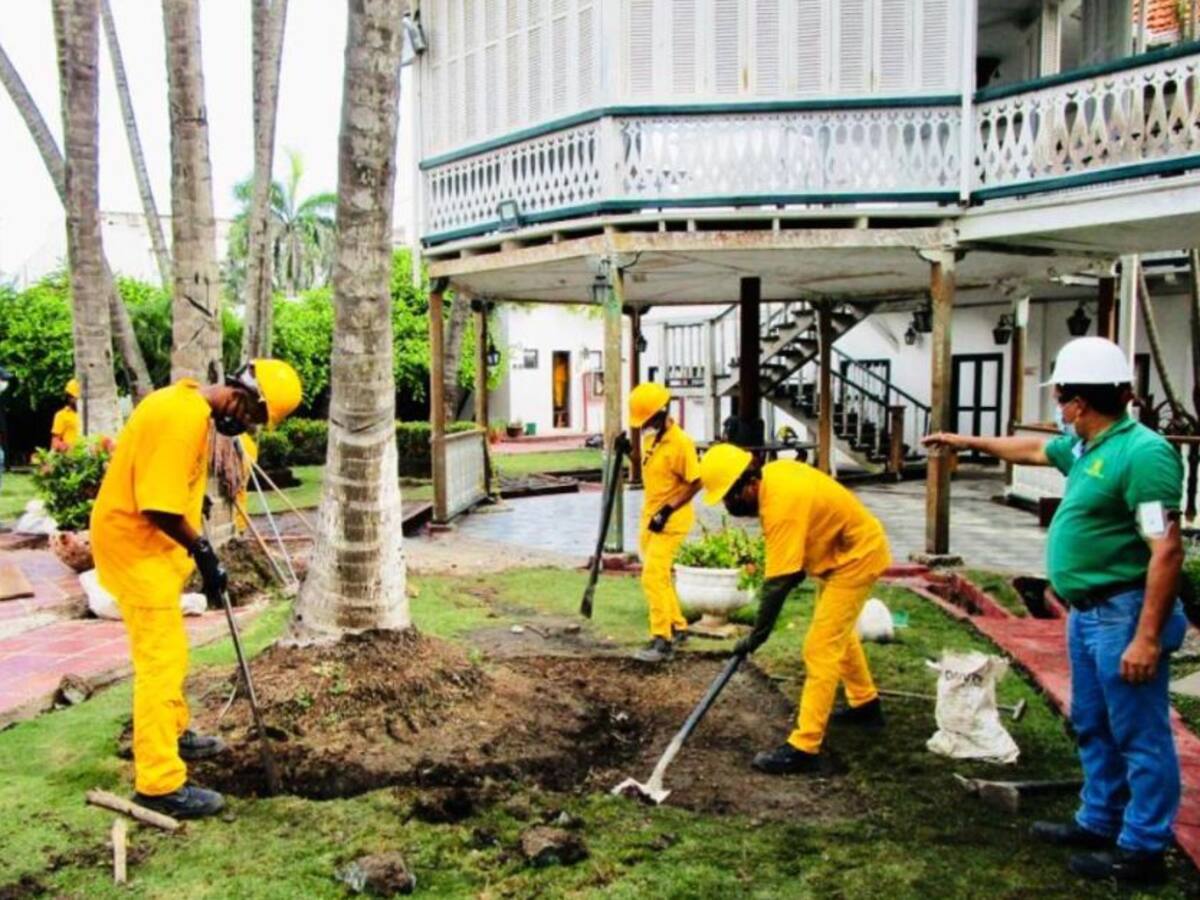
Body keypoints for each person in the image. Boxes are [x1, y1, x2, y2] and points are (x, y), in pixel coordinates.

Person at [923, 336, 1186, 886]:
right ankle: (1099, 819)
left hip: (1124, 614)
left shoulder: (1143, 454)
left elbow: (1166, 548)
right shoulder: (1089, 446)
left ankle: (1142, 849)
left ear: (1077, 403)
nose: (1057, 410)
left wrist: (1146, 637)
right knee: (1092, 723)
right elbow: (1031, 450)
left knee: (1139, 734)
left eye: (1060, 398)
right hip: (1087, 615)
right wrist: (959, 441)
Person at [91, 359, 302, 819]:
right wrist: (205, 552)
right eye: (254, 418)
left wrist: (195, 523)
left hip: (150, 550)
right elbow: (158, 507)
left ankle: (174, 731)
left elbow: (166, 487)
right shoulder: (181, 417)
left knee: (173, 653)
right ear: (244, 398)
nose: (249, 426)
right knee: (160, 663)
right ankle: (159, 783)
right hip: (136, 550)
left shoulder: (188, 404)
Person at [698, 442, 891, 774]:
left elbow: (779, 583)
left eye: (731, 496)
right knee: (838, 637)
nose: (730, 507)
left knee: (819, 649)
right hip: (837, 555)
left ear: (749, 480)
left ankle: (805, 747)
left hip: (855, 557)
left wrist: (755, 637)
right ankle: (865, 704)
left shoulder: (780, 503)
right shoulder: (774, 479)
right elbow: (790, 564)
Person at [628, 382, 701, 664]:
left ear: (661, 413)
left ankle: (662, 639)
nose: (643, 425)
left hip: (672, 519)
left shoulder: (681, 443)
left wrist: (667, 510)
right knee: (659, 574)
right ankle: (678, 626)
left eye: (647, 419)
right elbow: (648, 468)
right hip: (650, 516)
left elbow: (696, 482)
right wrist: (626, 452)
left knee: (652, 576)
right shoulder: (651, 439)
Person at [50, 378, 81, 451]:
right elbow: (55, 440)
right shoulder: (61, 415)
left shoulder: (89, 414)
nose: (77, 400)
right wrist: (62, 446)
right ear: (68, 397)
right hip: (69, 457)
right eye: (74, 397)